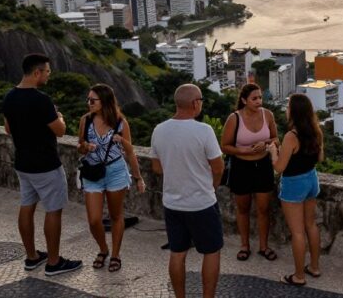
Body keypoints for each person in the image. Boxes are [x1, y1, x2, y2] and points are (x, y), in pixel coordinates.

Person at [2, 53, 81, 276]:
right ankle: (54, 262)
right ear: (36, 72)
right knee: (53, 210)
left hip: (23, 163)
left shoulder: (9, 97)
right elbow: (61, 131)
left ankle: (32, 257)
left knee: (27, 206)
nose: (48, 75)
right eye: (46, 71)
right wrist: (60, 116)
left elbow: (8, 129)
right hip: (45, 164)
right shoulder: (41, 99)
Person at [151, 84, 225, 298]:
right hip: (201, 203)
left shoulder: (159, 129)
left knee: (177, 252)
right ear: (195, 103)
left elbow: (156, 168)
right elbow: (218, 167)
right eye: (201, 100)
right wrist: (212, 186)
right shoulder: (204, 130)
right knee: (211, 252)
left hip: (173, 203)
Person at [77, 84, 145, 273]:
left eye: (93, 100)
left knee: (116, 216)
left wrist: (138, 178)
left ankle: (115, 254)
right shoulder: (86, 120)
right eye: (88, 100)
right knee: (94, 220)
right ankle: (103, 249)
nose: (89, 103)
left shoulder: (120, 122)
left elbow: (130, 152)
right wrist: (85, 147)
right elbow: (79, 146)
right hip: (92, 172)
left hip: (115, 171)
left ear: (104, 101)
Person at [269, 93, 324, 287]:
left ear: (293, 111)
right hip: (311, 179)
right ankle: (315, 267)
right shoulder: (316, 131)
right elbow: (320, 158)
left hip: (294, 183)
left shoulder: (292, 136)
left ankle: (299, 276)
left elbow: (279, 167)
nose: (286, 110)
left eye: (288, 106)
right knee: (311, 225)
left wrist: (273, 152)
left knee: (298, 232)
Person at [219, 83, 278, 262]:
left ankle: (263, 246)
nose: (259, 101)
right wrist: (243, 151)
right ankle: (244, 245)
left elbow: (277, 138)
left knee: (264, 209)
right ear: (244, 100)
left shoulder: (268, 115)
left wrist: (266, 143)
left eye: (260, 97)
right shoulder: (234, 118)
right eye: (254, 98)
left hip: (263, 166)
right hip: (241, 167)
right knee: (243, 208)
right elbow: (224, 146)